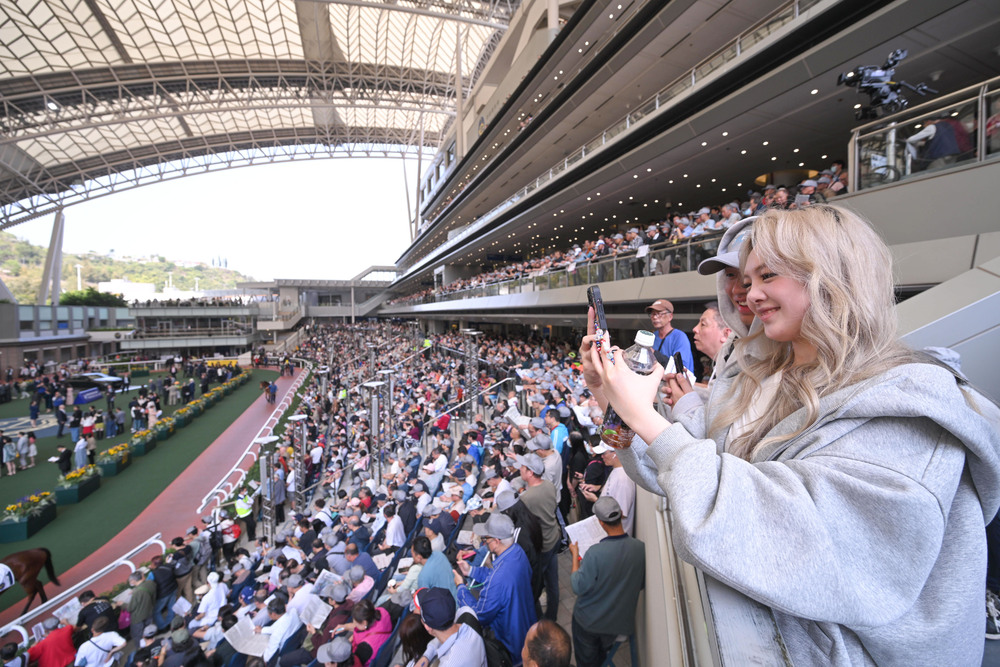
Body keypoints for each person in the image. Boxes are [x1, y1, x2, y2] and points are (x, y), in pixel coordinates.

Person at [583, 204, 1000, 665]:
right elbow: (685, 463)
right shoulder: (766, 374)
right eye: (747, 279)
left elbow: (782, 540)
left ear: (831, 276)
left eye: (768, 275)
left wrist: (646, 419)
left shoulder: (908, 416)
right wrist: (610, 397)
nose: (750, 293)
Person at [568, 497, 645, 667]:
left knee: (587, 660)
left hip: (590, 623)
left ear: (601, 524)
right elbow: (640, 584)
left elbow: (577, 586)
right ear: (620, 516)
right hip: (620, 622)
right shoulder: (639, 548)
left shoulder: (595, 553)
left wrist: (575, 555)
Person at [455, 513, 537, 658]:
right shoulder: (517, 551)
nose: (484, 542)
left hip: (512, 639)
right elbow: (496, 578)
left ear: (497, 541)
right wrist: (471, 570)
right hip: (527, 622)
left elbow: (479, 615)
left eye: (486, 538)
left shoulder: (498, 578)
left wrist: (461, 588)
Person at [409, 587, 486, 667]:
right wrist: (426, 657)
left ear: (427, 627)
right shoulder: (467, 613)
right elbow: (443, 636)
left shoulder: (449, 664)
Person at [644, 299, 694, 370]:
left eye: (659, 313)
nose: (655, 317)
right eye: (653, 314)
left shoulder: (679, 337)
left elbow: (680, 368)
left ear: (670, 316)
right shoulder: (653, 336)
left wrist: (654, 353)